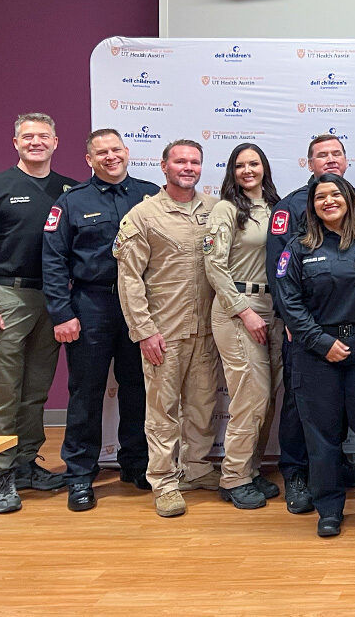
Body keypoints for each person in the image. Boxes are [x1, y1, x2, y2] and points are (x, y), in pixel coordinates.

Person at [275, 173, 355, 537]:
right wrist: (320, 342)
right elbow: (290, 303)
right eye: (320, 198)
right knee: (322, 437)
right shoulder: (298, 247)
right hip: (317, 355)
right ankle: (329, 507)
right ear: (312, 207)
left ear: (349, 199)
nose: (328, 201)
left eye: (335, 195)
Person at [43, 128, 157, 512]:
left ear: (127, 152)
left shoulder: (150, 194)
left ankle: (136, 464)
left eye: (116, 150)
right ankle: (79, 474)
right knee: (86, 392)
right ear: (88, 160)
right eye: (101, 153)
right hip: (92, 304)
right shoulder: (72, 201)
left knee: (138, 388)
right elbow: (54, 260)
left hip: (140, 307)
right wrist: (62, 313)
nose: (110, 157)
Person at [266, 134, 355, 515]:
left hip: (352, 327)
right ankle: (296, 472)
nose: (330, 160)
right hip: (308, 329)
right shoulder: (291, 205)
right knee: (301, 405)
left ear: (346, 159)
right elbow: (278, 268)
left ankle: (333, 466)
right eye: (321, 155)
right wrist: (293, 322)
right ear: (308, 162)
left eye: (336, 154)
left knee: (341, 405)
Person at [115, 139, 221, 518]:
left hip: (208, 329)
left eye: (194, 161)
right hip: (165, 331)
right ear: (164, 166)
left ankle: (195, 469)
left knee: (203, 406)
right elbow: (129, 279)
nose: (188, 167)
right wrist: (143, 330)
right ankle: (164, 480)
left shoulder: (214, 209)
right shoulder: (143, 216)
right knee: (163, 411)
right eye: (180, 161)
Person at [0, 113, 75, 513]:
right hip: (5, 296)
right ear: (15, 142)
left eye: (43, 136)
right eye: (27, 136)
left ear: (56, 142)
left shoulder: (68, 190)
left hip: (52, 300)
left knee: (36, 389)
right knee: (3, 391)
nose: (35, 142)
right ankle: (0, 474)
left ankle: (26, 464)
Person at [203, 143, 284, 509]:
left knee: (266, 397)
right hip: (237, 307)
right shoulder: (225, 209)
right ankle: (233, 476)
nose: (247, 170)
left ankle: (250, 469)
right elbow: (214, 265)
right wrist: (243, 311)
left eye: (254, 164)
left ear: (264, 168)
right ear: (231, 172)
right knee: (250, 395)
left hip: (273, 306)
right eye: (240, 165)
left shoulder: (276, 207)